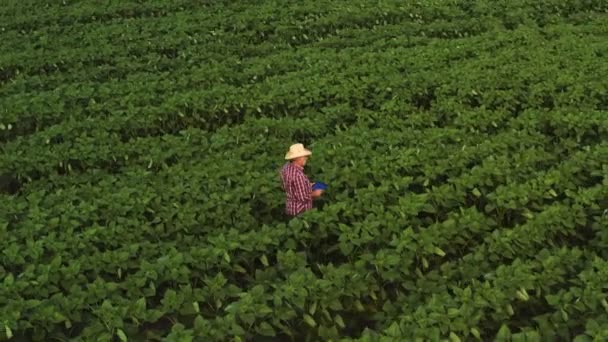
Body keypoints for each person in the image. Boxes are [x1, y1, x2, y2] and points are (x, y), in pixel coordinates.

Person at [280, 143, 323, 216]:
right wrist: (316, 193)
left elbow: (291, 186)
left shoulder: (286, 168)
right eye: (304, 156)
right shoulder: (298, 175)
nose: (306, 158)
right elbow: (303, 198)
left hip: (291, 207)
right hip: (300, 211)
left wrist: (307, 185)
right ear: (296, 158)